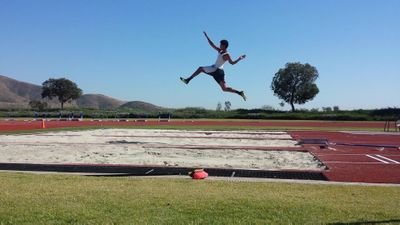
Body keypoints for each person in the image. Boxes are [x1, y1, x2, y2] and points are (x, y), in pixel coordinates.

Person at [180, 32, 247, 101]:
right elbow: (212, 44)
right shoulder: (220, 51)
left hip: (216, 70)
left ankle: (188, 80)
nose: (219, 45)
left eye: (221, 44)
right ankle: (239, 93)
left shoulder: (226, 54)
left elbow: (232, 63)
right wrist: (207, 36)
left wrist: (240, 58)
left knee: (200, 69)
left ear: (224, 46)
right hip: (219, 71)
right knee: (224, 89)